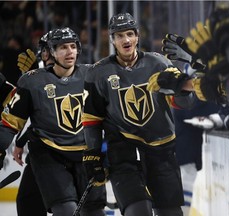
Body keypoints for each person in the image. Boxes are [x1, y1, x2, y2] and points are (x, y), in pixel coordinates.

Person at [82, 12, 198, 216]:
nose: (125, 40)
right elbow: (92, 119)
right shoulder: (98, 73)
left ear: (137, 36)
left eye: (129, 34)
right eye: (119, 35)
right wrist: (92, 154)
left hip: (162, 150)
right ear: (112, 40)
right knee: (139, 212)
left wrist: (181, 85)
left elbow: (185, 103)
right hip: (122, 152)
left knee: (171, 213)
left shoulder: (160, 64)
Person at [0, 27, 106, 216]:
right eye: (63, 47)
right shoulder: (32, 81)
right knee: (64, 210)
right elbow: (10, 124)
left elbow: (112, 115)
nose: (70, 51)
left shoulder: (93, 75)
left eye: (73, 46)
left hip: (86, 156)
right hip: (50, 156)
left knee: (94, 212)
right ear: (51, 51)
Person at [13, 31, 54, 216]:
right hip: (42, 154)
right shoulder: (36, 77)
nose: (50, 54)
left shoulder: (78, 77)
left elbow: (52, 117)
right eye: (47, 50)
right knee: (27, 201)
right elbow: (41, 116)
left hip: (68, 155)